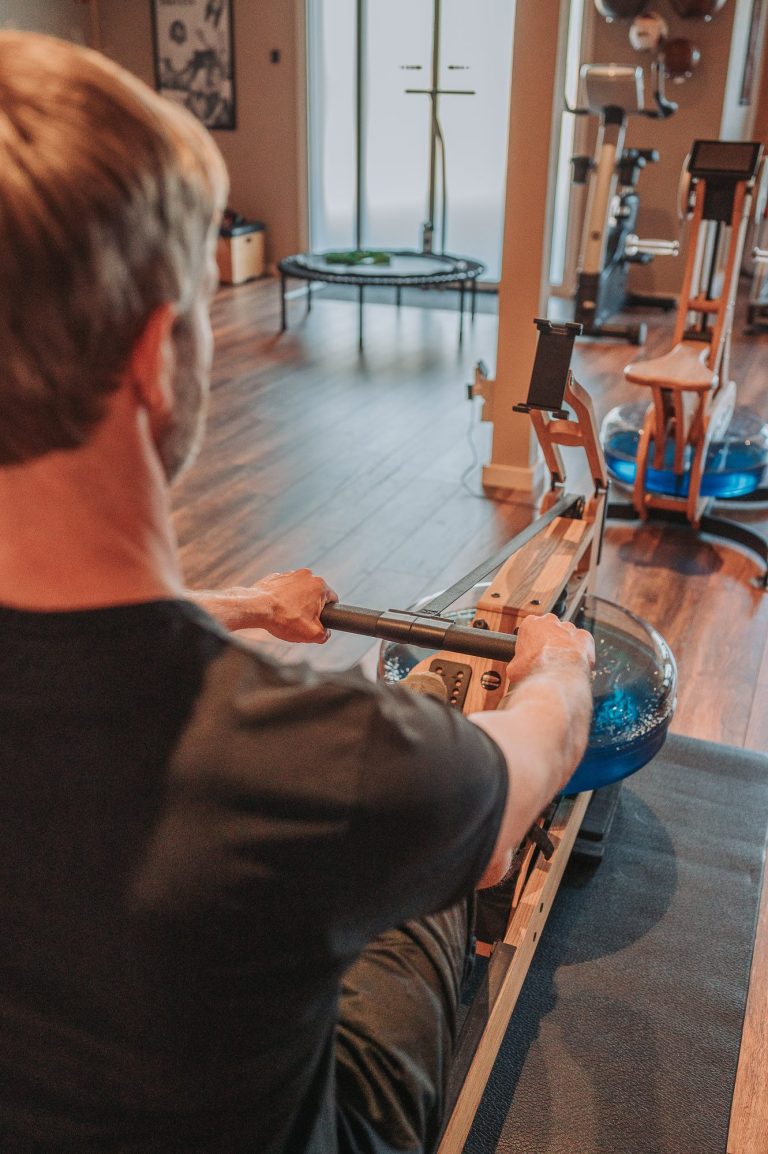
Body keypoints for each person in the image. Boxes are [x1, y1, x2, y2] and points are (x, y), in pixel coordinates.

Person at [0, 31, 595, 1154]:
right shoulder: (316, 759)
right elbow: (524, 772)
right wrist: (556, 676)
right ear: (157, 351)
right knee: (424, 886)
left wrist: (237, 599)